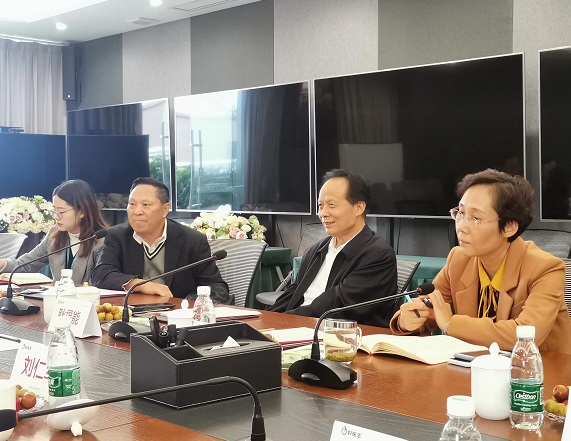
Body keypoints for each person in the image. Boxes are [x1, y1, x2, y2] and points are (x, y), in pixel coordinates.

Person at [391, 169, 571, 354]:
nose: (461, 227)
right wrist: (407, 321)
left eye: (475, 218)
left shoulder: (546, 268)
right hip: (474, 366)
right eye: (460, 213)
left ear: (509, 227)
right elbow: (428, 307)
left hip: (539, 368)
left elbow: (525, 336)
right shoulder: (459, 259)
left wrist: (451, 323)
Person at [269, 169, 398, 327]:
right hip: (298, 327)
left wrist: (285, 322)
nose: (323, 213)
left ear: (359, 207)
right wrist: (266, 319)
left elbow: (337, 305)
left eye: (331, 205)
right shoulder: (315, 250)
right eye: (320, 206)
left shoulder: (378, 255)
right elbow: (292, 294)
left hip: (340, 335)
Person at [91, 177, 230, 303]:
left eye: (146, 205)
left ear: (165, 209)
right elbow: (100, 275)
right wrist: (141, 284)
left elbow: (217, 288)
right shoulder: (117, 236)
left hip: (177, 315)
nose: (137, 211)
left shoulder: (192, 240)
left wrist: (186, 304)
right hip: (132, 313)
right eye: (132, 204)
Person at [0, 180, 108, 285]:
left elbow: (100, 284)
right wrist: (1, 263)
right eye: (54, 210)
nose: (56, 217)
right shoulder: (54, 233)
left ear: (81, 212)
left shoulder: (102, 240)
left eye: (61, 211)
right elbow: (25, 265)